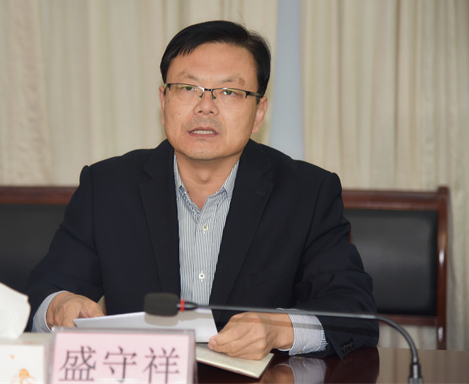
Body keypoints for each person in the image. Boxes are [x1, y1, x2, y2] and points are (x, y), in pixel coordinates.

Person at [26, 20, 378, 360]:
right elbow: (46, 292)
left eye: (229, 92)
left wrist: (279, 328)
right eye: (187, 88)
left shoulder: (307, 194)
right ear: (164, 101)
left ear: (259, 112)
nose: (205, 106)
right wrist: (59, 306)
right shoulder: (107, 187)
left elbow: (353, 310)